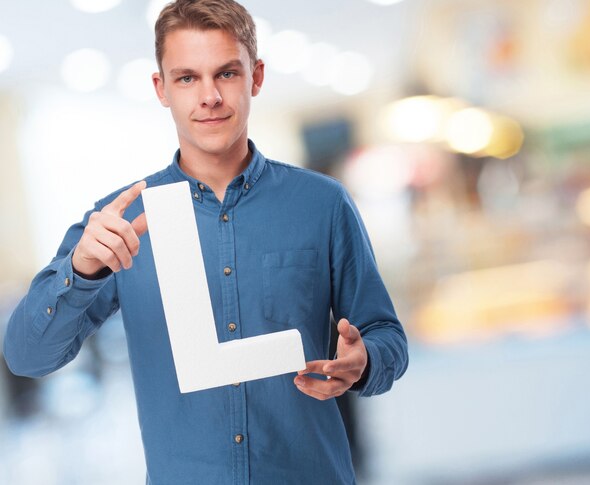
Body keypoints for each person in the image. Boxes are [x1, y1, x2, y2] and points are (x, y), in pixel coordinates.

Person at [3, 0, 408, 483]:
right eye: (187, 78)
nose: (209, 96)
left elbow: (387, 337)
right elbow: (26, 356)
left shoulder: (322, 204)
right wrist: (82, 270)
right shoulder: (120, 220)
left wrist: (364, 363)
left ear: (256, 78)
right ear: (162, 89)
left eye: (227, 74)